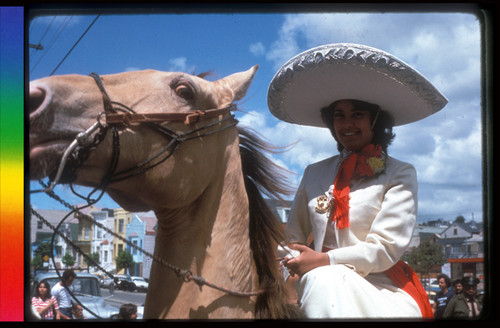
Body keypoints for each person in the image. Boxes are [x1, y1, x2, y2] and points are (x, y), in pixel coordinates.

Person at [268, 43, 448, 319]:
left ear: (376, 120)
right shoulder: (314, 172)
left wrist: (325, 261)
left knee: (322, 280)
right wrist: (289, 266)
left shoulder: (400, 172)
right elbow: (292, 238)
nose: (347, 123)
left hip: (381, 284)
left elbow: (386, 247)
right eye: (339, 115)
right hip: (315, 282)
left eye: (357, 114)